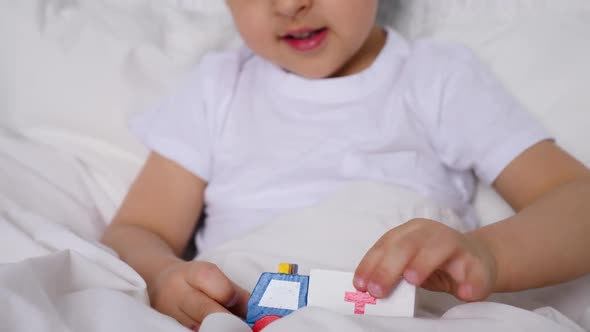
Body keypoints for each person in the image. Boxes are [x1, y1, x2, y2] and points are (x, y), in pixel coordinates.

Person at [101, 0, 590, 330]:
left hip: (402, 308)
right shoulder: (216, 90)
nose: (289, 4)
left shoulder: (436, 77)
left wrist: (486, 256)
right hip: (253, 306)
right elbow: (136, 231)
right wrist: (165, 276)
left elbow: (577, 202)